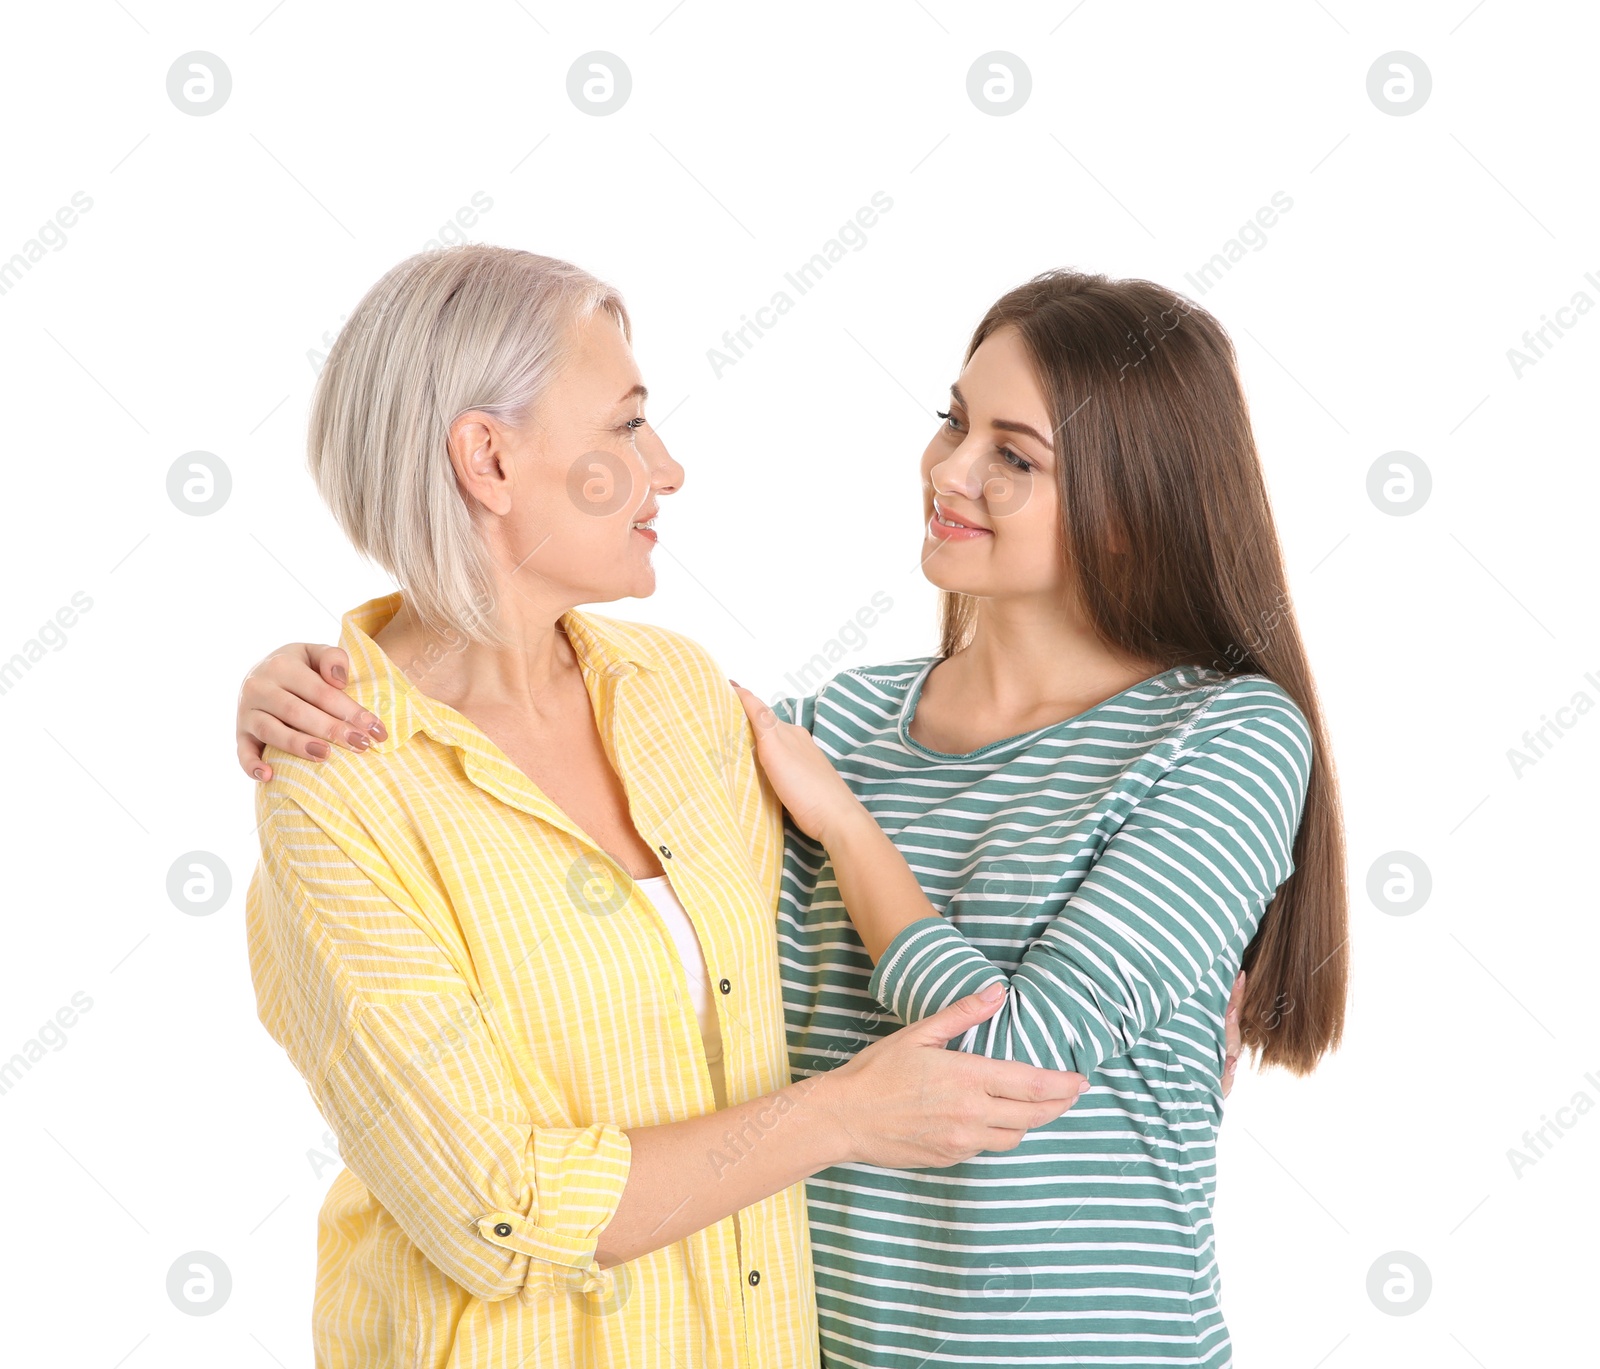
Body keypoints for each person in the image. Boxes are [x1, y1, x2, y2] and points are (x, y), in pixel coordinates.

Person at [239, 264, 1307, 1368]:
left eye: (1014, 454)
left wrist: (847, 828)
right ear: (487, 459)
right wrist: (299, 682)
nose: (947, 467)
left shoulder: (1212, 737)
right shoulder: (819, 726)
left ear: (1140, 505)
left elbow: (1004, 1060)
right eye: (952, 422)